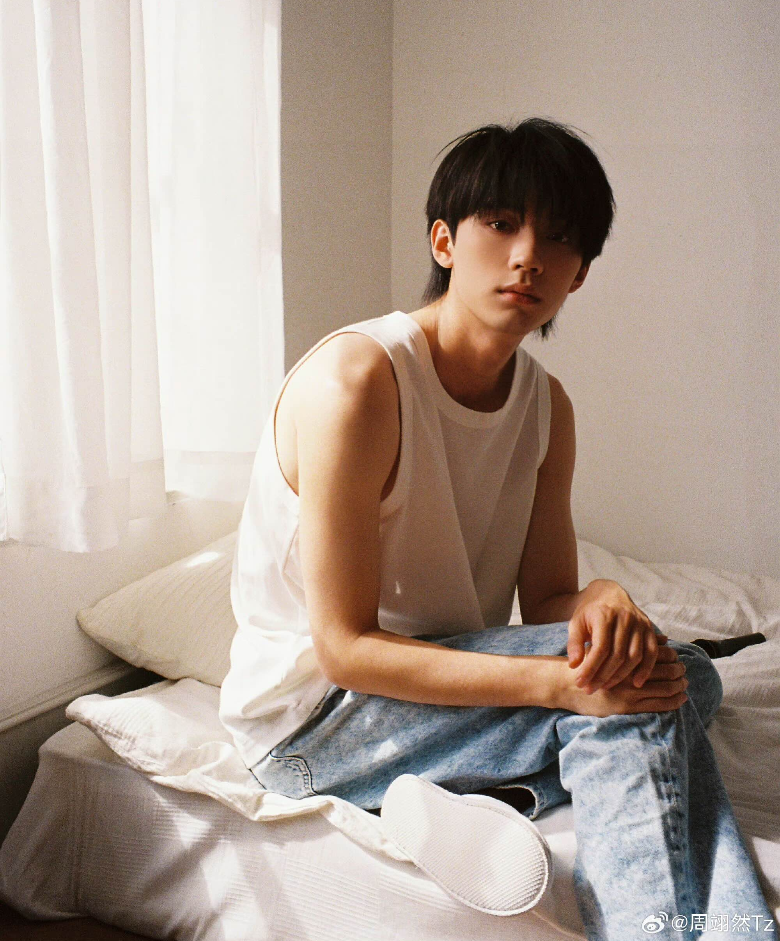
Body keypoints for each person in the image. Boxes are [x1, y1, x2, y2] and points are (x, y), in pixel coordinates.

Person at [220, 119, 772, 939]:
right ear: (444, 241)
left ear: (581, 272)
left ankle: (494, 796)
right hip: (315, 728)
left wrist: (603, 597)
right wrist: (558, 684)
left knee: (675, 671)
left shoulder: (547, 407)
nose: (528, 256)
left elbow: (547, 599)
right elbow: (345, 649)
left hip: (435, 701)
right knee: (626, 691)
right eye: (502, 224)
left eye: (559, 238)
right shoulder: (358, 380)